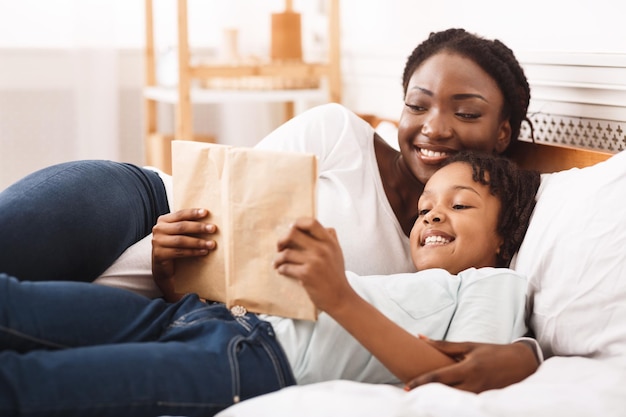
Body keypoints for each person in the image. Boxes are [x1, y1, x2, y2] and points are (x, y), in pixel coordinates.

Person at [0, 28, 539, 390]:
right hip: (147, 207)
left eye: (465, 112)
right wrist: (161, 262)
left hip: (188, 310)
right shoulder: (337, 134)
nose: (434, 127)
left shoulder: (449, 248)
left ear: (502, 133)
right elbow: (222, 205)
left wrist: (529, 353)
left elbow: (474, 339)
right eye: (417, 105)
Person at [0, 151, 540, 417]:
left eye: (459, 204)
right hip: (197, 317)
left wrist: (338, 297)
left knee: (31, 382)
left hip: (250, 361)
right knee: (13, 301)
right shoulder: (396, 280)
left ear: (505, 235)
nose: (432, 217)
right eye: (424, 209)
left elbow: (456, 379)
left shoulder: (493, 283)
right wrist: (171, 278)